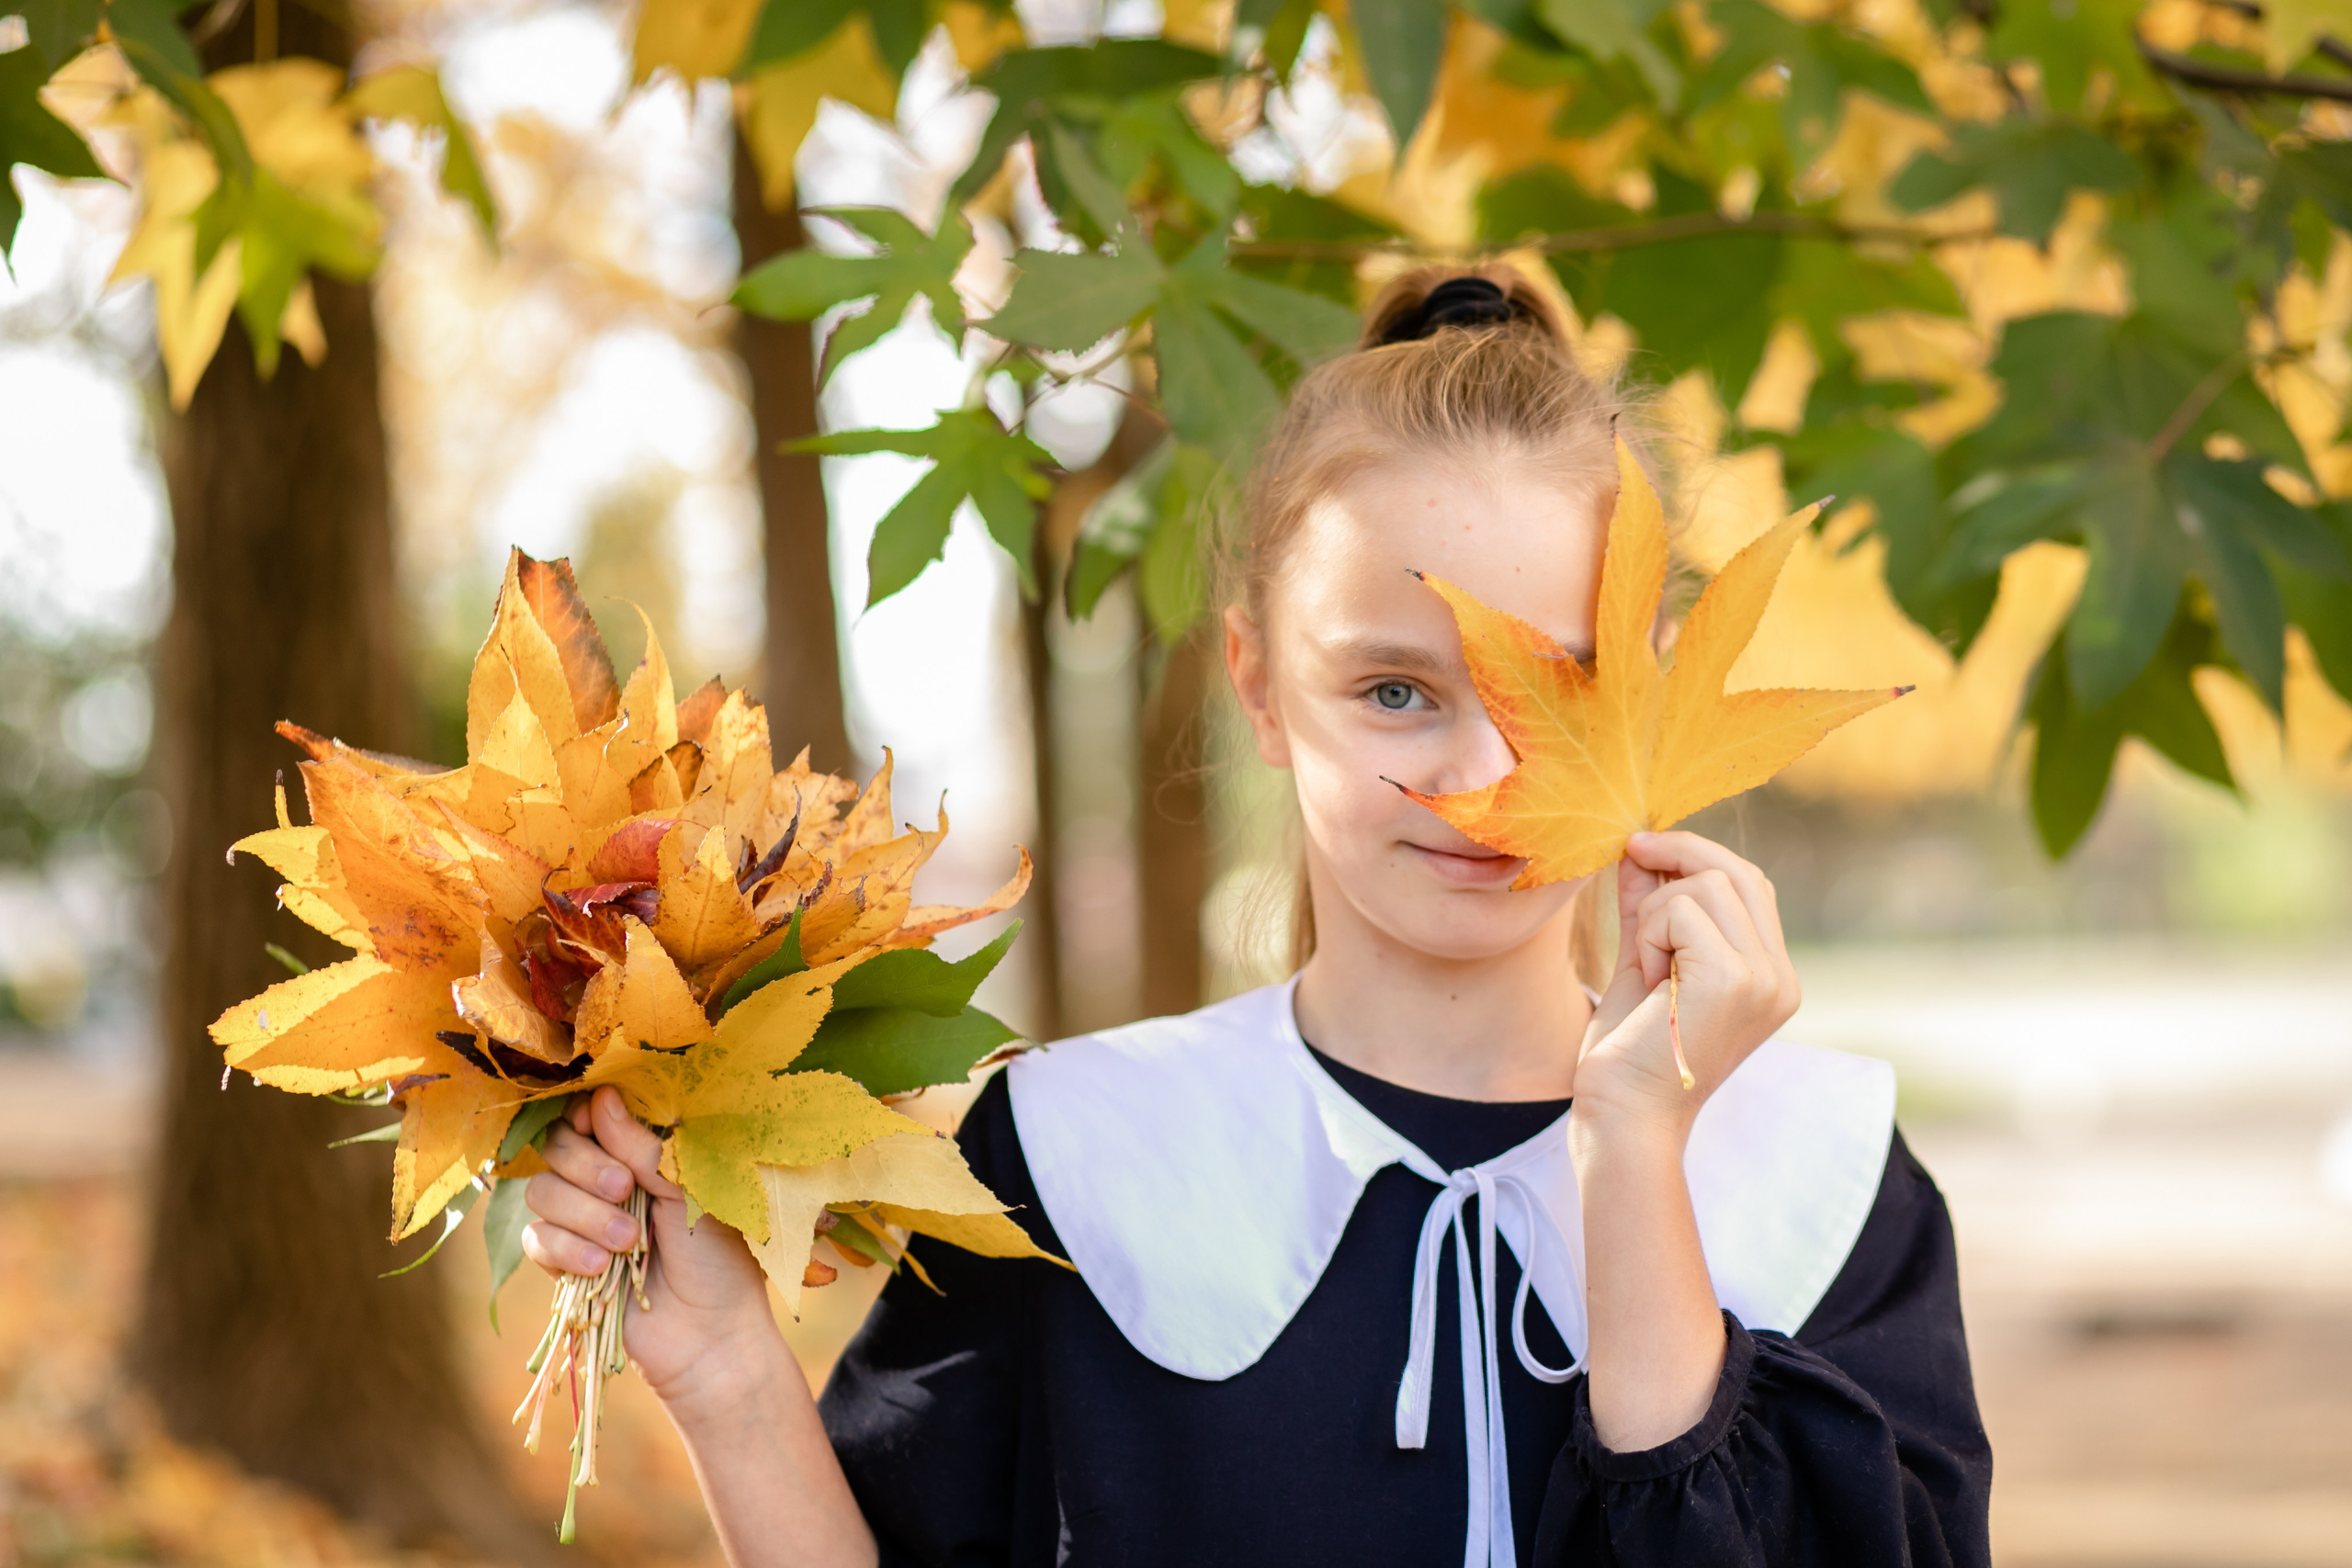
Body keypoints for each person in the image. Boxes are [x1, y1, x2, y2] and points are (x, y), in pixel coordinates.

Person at [520, 267, 1994, 1568]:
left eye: (1561, 685)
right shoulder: (1068, 1165)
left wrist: (1634, 1159)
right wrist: (719, 1365)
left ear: (1661, 683)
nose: (1480, 778)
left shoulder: (1828, 1180)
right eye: (1396, 691)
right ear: (1257, 682)